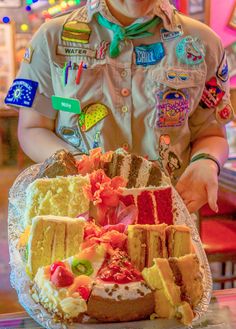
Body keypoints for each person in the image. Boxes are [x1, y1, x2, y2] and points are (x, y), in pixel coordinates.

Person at [5, 0, 235, 214]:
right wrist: (77, 164)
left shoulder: (202, 43)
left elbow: (211, 133)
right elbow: (32, 128)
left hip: (167, 215)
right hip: (80, 214)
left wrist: (206, 161)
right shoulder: (52, 39)